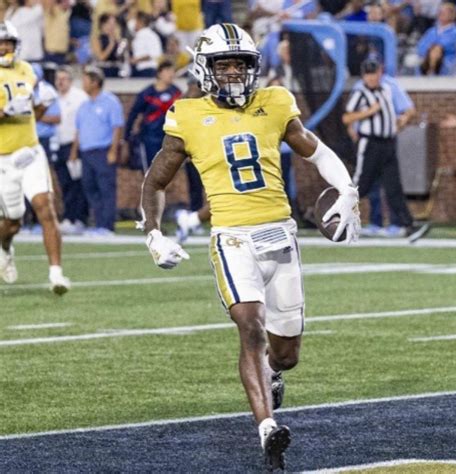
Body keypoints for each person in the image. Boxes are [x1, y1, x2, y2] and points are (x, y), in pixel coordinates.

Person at [139, 23, 360, 471]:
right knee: (251, 326)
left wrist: (347, 189)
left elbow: (316, 151)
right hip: (232, 239)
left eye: (241, 64)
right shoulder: (187, 116)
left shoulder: (275, 102)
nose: (234, 73)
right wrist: (154, 233)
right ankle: (267, 427)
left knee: (286, 354)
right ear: (205, 69)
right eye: (224, 65)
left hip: (280, 236)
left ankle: (273, 373)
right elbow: (155, 181)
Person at [0, 21, 70, 293]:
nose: (4, 47)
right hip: (3, 159)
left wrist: (42, 104)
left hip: (30, 151)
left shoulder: (27, 70)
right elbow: (13, 112)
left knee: (45, 206)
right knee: (12, 223)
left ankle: (56, 275)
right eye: (1, 43)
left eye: (8, 42)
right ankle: (5, 249)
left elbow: (33, 114)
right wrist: (7, 112)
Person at [342, 57, 430, 242]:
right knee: (361, 186)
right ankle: (336, 217)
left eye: (374, 73)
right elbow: (347, 118)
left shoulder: (387, 89)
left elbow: (404, 111)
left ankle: (409, 225)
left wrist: (398, 123)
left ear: (380, 73)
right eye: (368, 74)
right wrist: (369, 112)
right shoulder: (361, 92)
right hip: (370, 144)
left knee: (394, 186)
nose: (371, 77)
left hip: (388, 144)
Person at [70, 65, 124, 235]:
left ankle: (107, 226)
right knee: (90, 187)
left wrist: (113, 151)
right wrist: (74, 152)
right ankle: (99, 223)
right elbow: (79, 130)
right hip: (86, 153)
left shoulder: (110, 101)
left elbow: (117, 127)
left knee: (106, 188)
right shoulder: (84, 105)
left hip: (103, 151)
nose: (83, 84)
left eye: (85, 80)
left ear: (95, 82)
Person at [125, 60, 181, 168]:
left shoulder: (176, 93)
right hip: (150, 137)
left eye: (173, 71)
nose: (171, 74)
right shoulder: (147, 93)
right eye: (168, 70)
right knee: (151, 169)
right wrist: (127, 136)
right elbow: (133, 113)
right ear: (159, 73)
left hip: (170, 138)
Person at [54, 65, 89, 234]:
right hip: (58, 145)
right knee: (64, 183)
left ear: (71, 81)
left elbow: (81, 125)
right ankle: (69, 217)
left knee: (76, 183)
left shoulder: (79, 97)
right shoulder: (54, 97)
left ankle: (78, 218)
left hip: (73, 145)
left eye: (64, 79)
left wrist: (75, 149)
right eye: (58, 79)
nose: (60, 82)